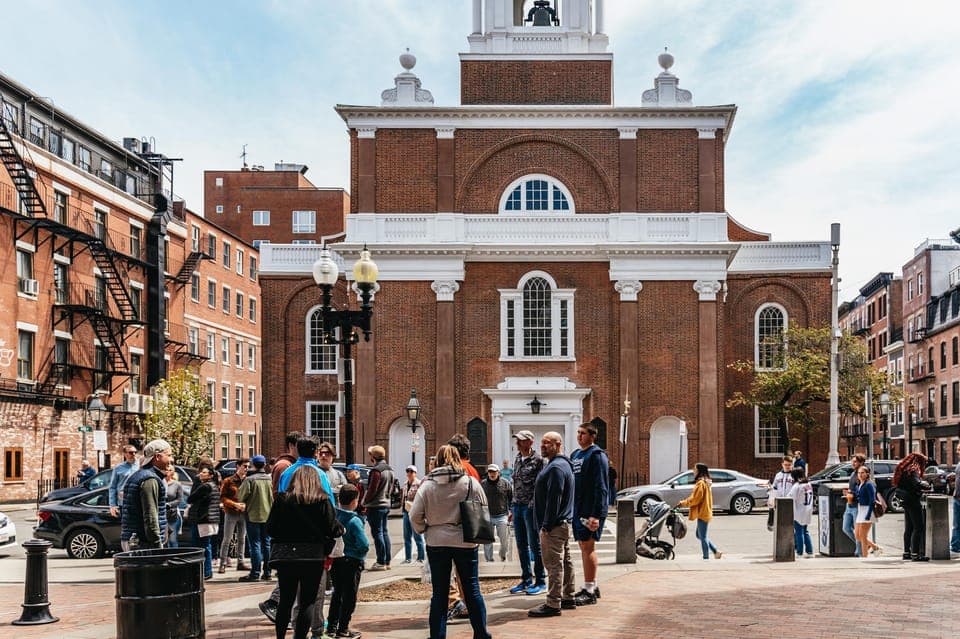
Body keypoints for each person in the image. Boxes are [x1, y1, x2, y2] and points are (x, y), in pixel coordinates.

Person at [409, 444, 492, 639]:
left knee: (440, 593)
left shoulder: (428, 485)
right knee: (472, 589)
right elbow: (483, 507)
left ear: (437, 460)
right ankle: (481, 633)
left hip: (437, 542)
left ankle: (438, 635)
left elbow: (414, 515)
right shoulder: (470, 483)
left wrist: (425, 529)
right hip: (465, 540)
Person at [267, 466, 343, 639]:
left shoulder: (282, 500)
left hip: (286, 556)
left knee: (286, 600)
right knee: (307, 601)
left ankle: (280, 636)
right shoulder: (322, 501)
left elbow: (270, 528)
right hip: (313, 556)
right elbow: (333, 529)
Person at [528, 431, 576, 618]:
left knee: (554, 564)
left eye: (547, 443)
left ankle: (553, 603)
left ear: (558, 444)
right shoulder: (561, 465)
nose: (542, 446)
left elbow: (554, 498)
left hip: (554, 525)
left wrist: (546, 524)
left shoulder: (556, 467)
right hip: (562, 523)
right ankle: (568, 596)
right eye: (542, 442)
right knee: (565, 561)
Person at [570, 422, 609, 605]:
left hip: (590, 510)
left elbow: (601, 486)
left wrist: (597, 515)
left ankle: (589, 590)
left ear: (592, 436)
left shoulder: (597, 455)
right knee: (582, 546)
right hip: (578, 509)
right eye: (578, 433)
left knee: (588, 547)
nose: (579, 436)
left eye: (583, 433)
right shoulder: (575, 455)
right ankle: (591, 584)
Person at [327, 483, 369, 639]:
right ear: (355, 501)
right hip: (352, 561)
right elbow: (363, 544)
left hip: (337, 559)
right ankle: (343, 628)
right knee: (349, 597)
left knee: (337, 593)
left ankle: (331, 627)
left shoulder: (334, 517)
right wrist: (361, 553)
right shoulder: (354, 521)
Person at [509, 429, 546, 596]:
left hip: (530, 508)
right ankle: (525, 579)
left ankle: (540, 580)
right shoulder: (517, 458)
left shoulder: (539, 460)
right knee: (521, 545)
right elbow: (515, 483)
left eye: (521, 440)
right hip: (517, 506)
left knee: (534, 545)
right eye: (517, 440)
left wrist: (533, 506)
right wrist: (512, 507)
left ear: (530, 442)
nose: (518, 443)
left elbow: (540, 486)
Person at [120, 439, 173, 551]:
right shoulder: (150, 479)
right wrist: (157, 544)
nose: (171, 459)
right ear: (157, 457)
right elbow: (150, 517)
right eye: (169, 455)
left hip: (135, 540)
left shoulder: (139, 475)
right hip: (144, 543)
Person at [238, 455, 274, 582]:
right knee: (267, 544)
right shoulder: (269, 480)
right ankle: (268, 572)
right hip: (268, 516)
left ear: (253, 465)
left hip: (253, 515)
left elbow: (241, 496)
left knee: (255, 545)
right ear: (264, 465)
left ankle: (255, 573)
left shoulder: (250, 480)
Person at [678, 463, 722, 560]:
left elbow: (695, 499)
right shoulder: (705, 482)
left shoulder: (701, 483)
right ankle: (715, 551)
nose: (693, 471)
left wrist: (683, 503)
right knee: (699, 535)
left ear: (699, 471)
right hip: (705, 511)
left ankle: (706, 557)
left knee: (703, 536)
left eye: (695, 469)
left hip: (703, 512)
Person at [362, 445, 395, 571]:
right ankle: (387, 561)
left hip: (376, 505)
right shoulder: (390, 469)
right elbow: (391, 488)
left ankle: (381, 561)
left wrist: (364, 502)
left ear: (373, 457)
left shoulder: (376, 471)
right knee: (384, 532)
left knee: (378, 533)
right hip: (386, 503)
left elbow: (372, 489)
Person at [894, 452, 931, 561]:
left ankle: (906, 552)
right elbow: (917, 483)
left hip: (904, 500)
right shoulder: (914, 469)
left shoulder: (903, 469)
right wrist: (927, 485)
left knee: (909, 527)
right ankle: (915, 554)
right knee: (918, 527)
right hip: (912, 500)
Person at [187, 466, 222, 580]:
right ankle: (207, 571)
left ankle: (205, 571)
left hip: (204, 520)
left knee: (202, 546)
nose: (200, 474)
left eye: (204, 472)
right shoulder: (214, 486)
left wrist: (197, 483)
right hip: (211, 519)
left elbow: (190, 498)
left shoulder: (205, 486)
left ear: (211, 475)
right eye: (200, 472)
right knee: (207, 545)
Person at [219, 457, 250, 573]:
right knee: (227, 538)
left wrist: (246, 505)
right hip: (231, 512)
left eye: (248, 466)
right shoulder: (228, 480)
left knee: (242, 539)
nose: (246, 469)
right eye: (244, 466)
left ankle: (240, 562)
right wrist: (235, 505)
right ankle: (222, 563)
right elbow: (222, 497)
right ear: (238, 466)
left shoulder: (248, 480)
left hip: (243, 513)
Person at [480, 464, 512, 562]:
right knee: (487, 540)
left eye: (494, 472)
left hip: (502, 515)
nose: (492, 474)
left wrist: (510, 510)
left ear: (498, 472)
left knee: (504, 539)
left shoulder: (505, 483)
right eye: (490, 472)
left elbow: (511, 497)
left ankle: (503, 555)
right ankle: (489, 559)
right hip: (487, 514)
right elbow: (479, 498)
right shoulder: (483, 484)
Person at [853, 466, 881, 558]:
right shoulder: (860, 484)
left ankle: (865, 557)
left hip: (868, 511)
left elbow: (872, 500)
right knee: (858, 536)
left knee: (863, 536)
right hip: (861, 511)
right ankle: (875, 547)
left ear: (867, 474)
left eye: (862, 473)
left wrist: (868, 515)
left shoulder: (869, 484)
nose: (860, 475)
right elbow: (859, 497)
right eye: (859, 473)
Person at [841, 454, 866, 555]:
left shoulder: (862, 474)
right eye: (852, 461)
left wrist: (853, 495)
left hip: (857, 506)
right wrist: (848, 492)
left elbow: (862, 490)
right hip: (849, 504)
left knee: (858, 530)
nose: (853, 463)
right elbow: (853, 488)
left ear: (861, 463)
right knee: (846, 528)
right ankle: (866, 544)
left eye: (855, 462)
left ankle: (860, 552)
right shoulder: (853, 474)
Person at [401, 465, 425, 564]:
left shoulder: (419, 484)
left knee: (417, 535)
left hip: (415, 511)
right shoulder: (405, 483)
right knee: (407, 536)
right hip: (406, 511)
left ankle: (421, 557)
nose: (409, 473)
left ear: (415, 473)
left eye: (411, 471)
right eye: (407, 471)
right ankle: (408, 558)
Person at [786, 468, 813, 557]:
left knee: (798, 532)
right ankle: (809, 551)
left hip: (799, 511)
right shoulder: (808, 484)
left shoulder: (797, 486)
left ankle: (799, 552)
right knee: (805, 531)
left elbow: (790, 497)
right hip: (807, 510)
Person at [108, 444, 139, 518]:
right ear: (125, 454)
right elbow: (112, 487)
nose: (134, 454)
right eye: (131, 452)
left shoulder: (140, 466)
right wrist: (113, 505)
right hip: (123, 503)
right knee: (126, 527)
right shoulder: (118, 468)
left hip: (138, 502)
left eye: (135, 452)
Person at [767, 456, 796, 532]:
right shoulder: (778, 475)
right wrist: (770, 489)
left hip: (791, 502)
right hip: (780, 502)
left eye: (789, 465)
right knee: (780, 523)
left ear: (792, 465)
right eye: (785, 464)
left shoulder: (795, 475)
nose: (787, 466)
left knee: (790, 523)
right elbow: (774, 487)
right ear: (782, 464)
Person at [163, 465, 184, 549]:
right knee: (164, 540)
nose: (167, 471)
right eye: (166, 469)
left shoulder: (177, 484)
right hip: (161, 514)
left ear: (173, 472)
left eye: (170, 470)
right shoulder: (160, 482)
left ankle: (175, 558)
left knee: (172, 539)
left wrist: (169, 505)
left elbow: (179, 500)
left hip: (172, 515)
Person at [951, 443, 960, 554]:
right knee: (956, 524)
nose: (958, 452)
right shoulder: (958, 464)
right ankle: (955, 545)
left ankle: (955, 545)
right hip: (957, 497)